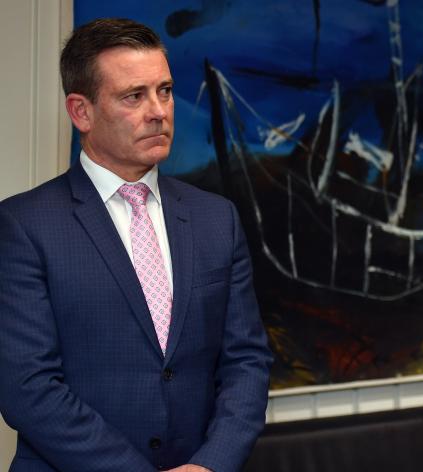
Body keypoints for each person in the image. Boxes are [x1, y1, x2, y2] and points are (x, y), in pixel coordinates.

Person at [0, 18, 272, 471]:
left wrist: (211, 464)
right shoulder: (24, 225)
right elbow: (27, 387)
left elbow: (247, 359)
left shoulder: (215, 218)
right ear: (81, 111)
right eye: (134, 96)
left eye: (164, 91)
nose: (159, 111)